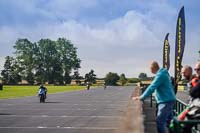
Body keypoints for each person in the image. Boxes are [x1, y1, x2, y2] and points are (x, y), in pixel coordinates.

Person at [132, 61, 176, 133]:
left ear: (153, 68)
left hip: (165, 101)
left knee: (160, 121)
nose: (150, 70)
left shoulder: (160, 75)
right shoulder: (162, 73)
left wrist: (141, 97)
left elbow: (152, 87)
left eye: (150, 69)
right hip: (169, 100)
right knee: (170, 122)